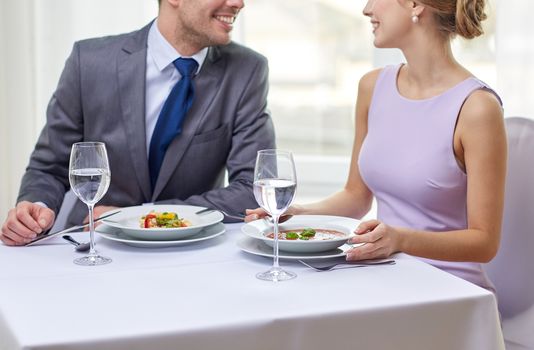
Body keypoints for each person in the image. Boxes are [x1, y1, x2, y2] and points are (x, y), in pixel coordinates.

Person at [246, 0, 506, 292]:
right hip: (384, 276)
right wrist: (296, 212)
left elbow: (484, 243)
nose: (367, 9)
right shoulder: (372, 87)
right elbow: (356, 198)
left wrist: (400, 240)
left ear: (414, 5)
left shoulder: (477, 107)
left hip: (451, 293)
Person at [1, 0, 275, 246]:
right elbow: (49, 166)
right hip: (90, 243)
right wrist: (35, 208)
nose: (238, 3)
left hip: (188, 249)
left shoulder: (247, 70)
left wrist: (141, 217)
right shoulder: (90, 61)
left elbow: (253, 189)